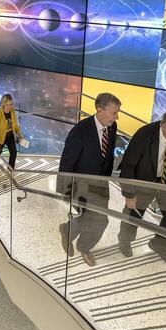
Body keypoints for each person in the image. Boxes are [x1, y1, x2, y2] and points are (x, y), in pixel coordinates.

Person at [117, 110, 166, 267]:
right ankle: (125, 241)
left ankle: (161, 246)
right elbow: (128, 165)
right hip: (143, 181)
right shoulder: (144, 135)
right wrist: (129, 193)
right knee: (133, 215)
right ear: (164, 126)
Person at [57, 93, 121, 268]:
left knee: (92, 218)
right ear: (99, 110)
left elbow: (107, 157)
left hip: (100, 185)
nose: (117, 117)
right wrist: (65, 191)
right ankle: (84, 246)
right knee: (100, 220)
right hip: (80, 186)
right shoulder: (80, 131)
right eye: (114, 113)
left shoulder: (112, 127)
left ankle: (68, 230)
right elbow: (67, 162)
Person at [0, 93, 21, 178]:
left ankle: (10, 169)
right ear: (3, 103)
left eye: (10, 104)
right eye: (7, 104)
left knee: (14, 152)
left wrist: (18, 133)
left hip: (10, 135)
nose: (9, 106)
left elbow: (15, 125)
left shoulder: (12, 111)